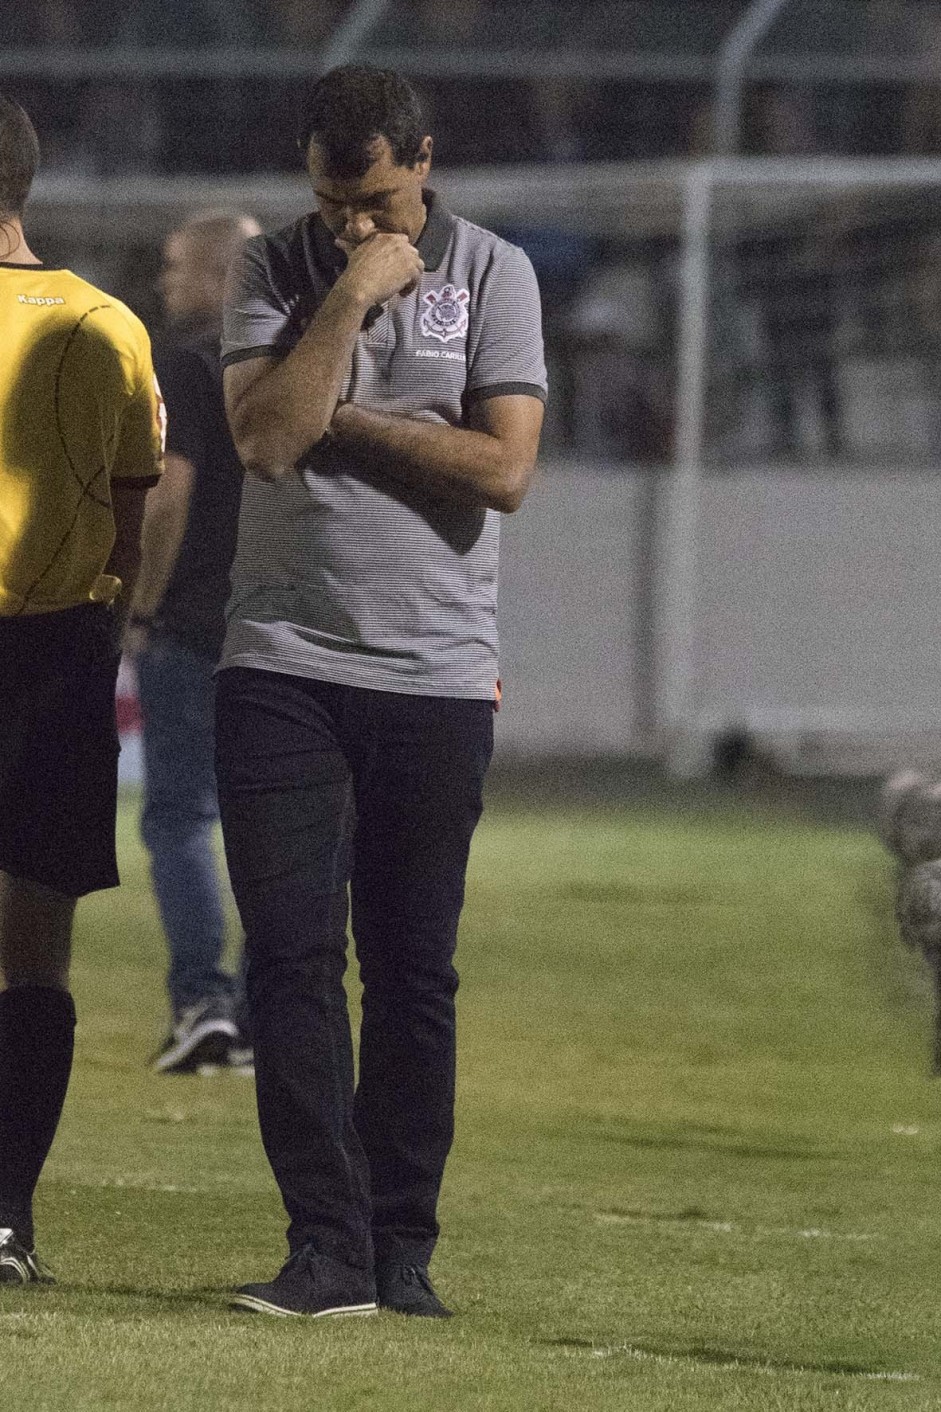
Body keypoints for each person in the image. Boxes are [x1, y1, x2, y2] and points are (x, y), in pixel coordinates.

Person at [216, 64, 546, 1319]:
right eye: (331, 202)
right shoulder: (276, 269)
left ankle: (402, 1247)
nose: (354, 224)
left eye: (377, 203)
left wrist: (338, 419)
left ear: (422, 158)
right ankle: (326, 1247)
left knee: (414, 968)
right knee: (291, 959)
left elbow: (502, 469)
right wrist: (352, 296)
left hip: (437, 672)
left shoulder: (494, 273)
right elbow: (259, 439)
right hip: (283, 664)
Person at [0, 96, 164, 1284]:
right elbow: (133, 506)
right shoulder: (108, 322)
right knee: (35, 947)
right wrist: (101, 624)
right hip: (59, 650)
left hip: (49, 646)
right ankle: (8, 1218)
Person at [123, 210, 260, 1076]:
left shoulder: (187, 362)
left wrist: (140, 607)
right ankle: (256, 1014)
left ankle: (203, 1002)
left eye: (179, 266)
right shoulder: (285, 364)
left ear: (218, 273)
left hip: (192, 629)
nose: (168, 281)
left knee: (179, 818)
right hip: (275, 628)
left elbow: (169, 500)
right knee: (268, 829)